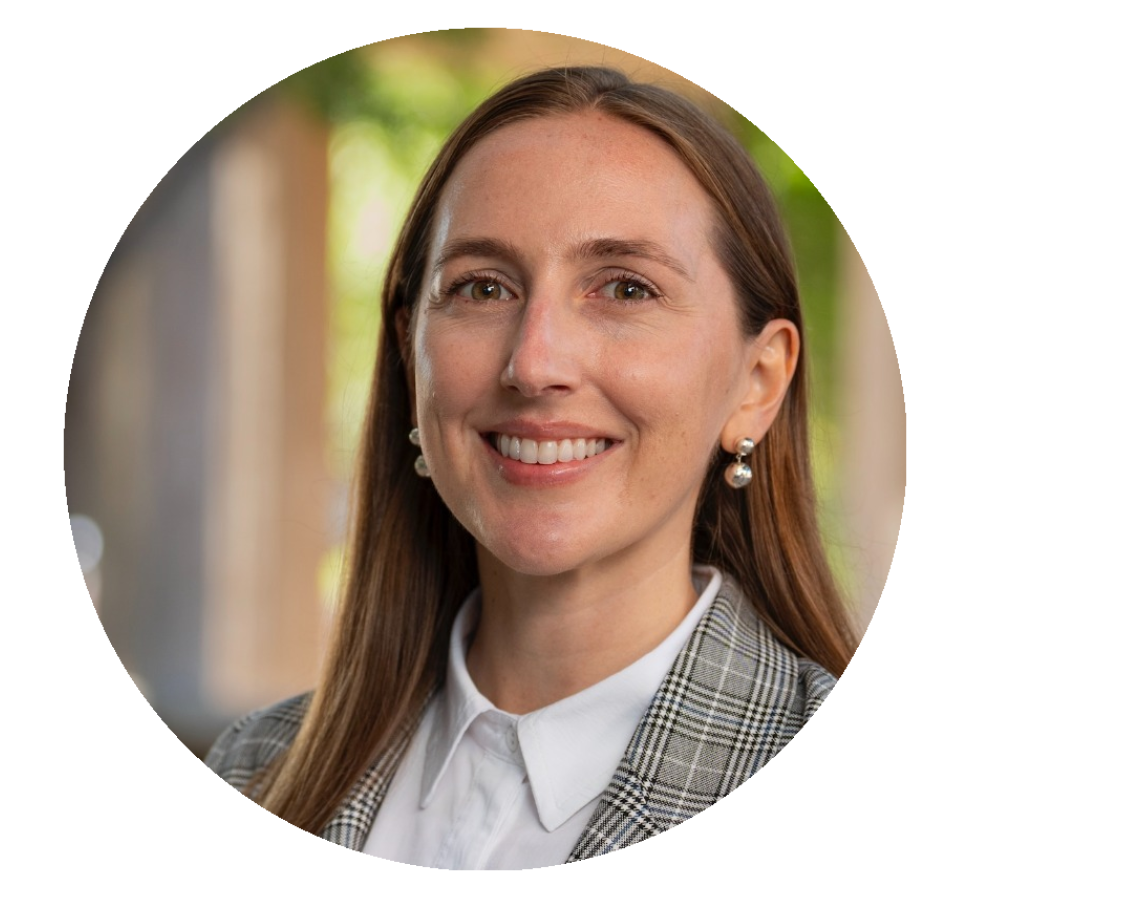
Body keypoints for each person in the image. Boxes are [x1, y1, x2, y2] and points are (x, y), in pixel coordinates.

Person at [206, 66, 855, 868]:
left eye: (624, 287)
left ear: (757, 384)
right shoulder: (251, 767)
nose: (535, 361)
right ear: (413, 360)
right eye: (482, 286)